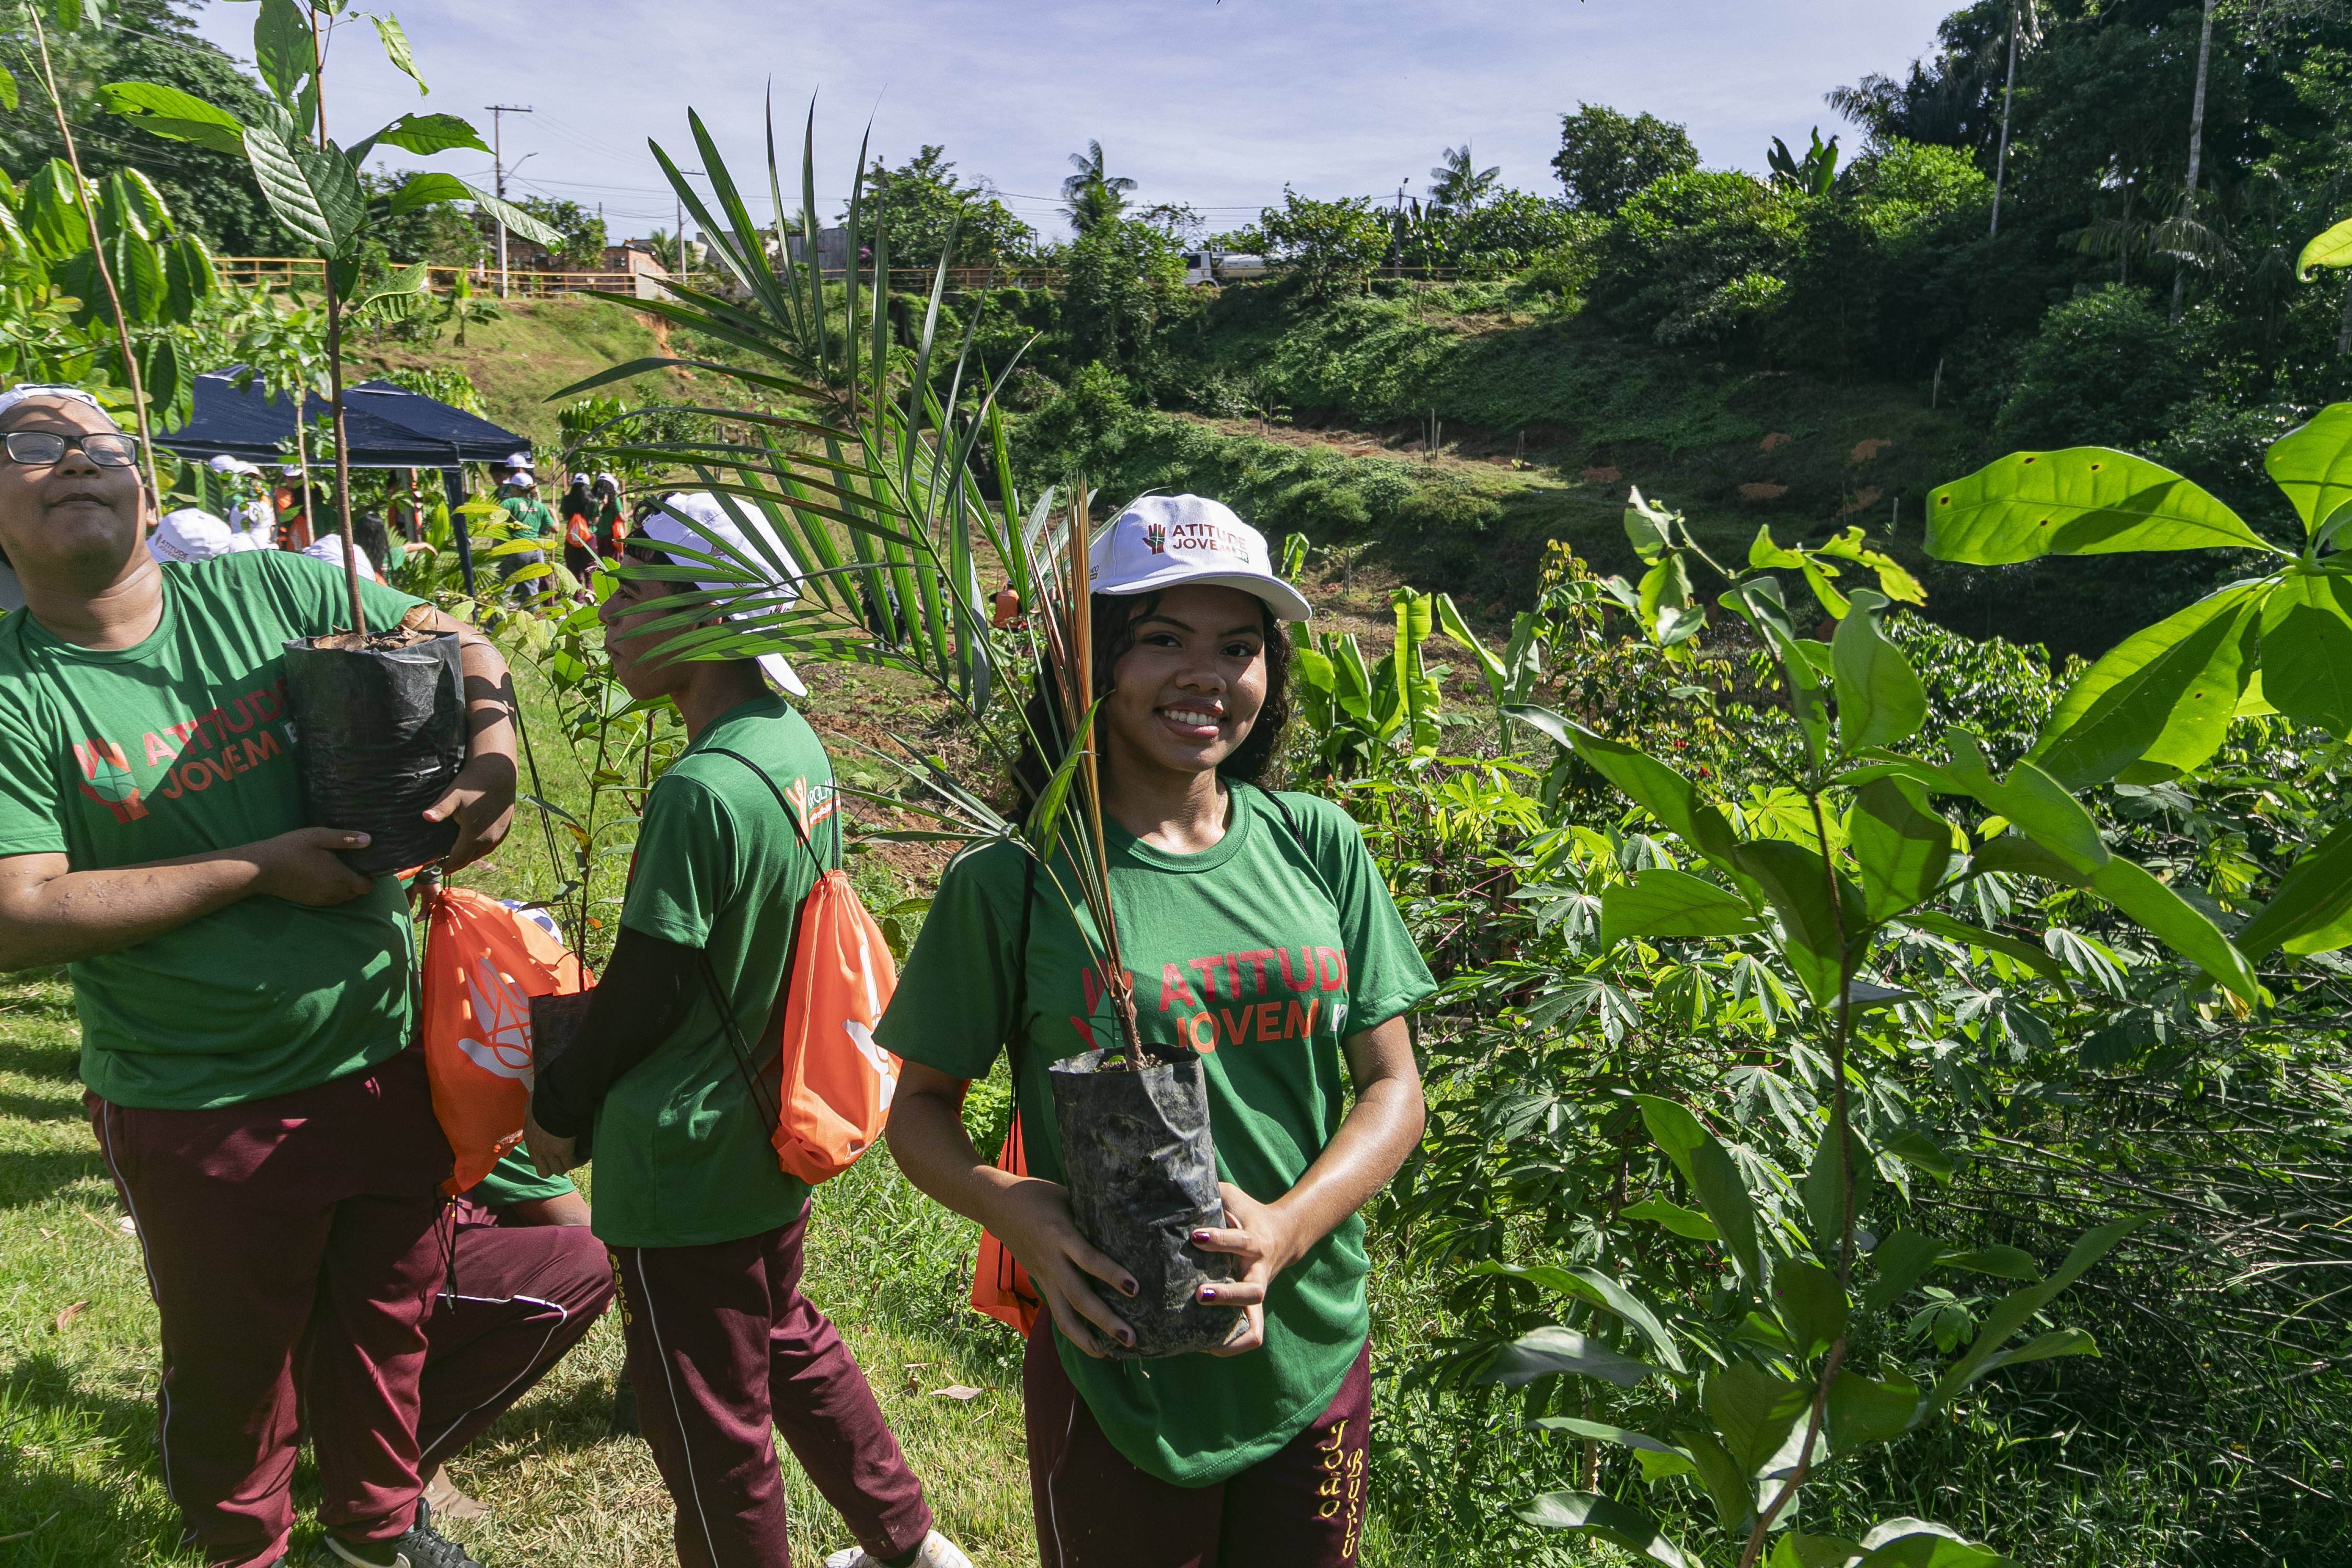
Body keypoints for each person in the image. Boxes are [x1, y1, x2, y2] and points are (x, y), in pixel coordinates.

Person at [0, 383, 521, 1568]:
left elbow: (456, 635)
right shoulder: (15, 690)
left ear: (147, 485)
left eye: (98, 443)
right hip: (196, 1098)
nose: (73, 461)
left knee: (387, 1329)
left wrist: (488, 757)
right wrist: (253, 868)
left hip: (386, 1060)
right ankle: (244, 1545)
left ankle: (374, 1534)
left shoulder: (274, 592)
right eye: (29, 446)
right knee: (234, 1364)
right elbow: (16, 912)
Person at [879, 494, 1435, 1568]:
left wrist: (1286, 1230)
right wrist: (1016, 1210)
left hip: (1309, 1349)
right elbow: (919, 1111)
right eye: (1163, 640)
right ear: (1092, 665)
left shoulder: (1317, 845)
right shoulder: (1018, 885)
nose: (1207, 677)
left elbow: (1391, 1086)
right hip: (1118, 1365)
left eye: (1238, 647)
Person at [521, 492, 969, 1568]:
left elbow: (648, 992)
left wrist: (556, 1108)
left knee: (706, 1420)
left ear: (710, 618)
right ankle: (908, 1540)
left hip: (681, 1157)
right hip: (770, 1119)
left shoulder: (700, 789)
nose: (609, 614)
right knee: (782, 1334)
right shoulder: (792, 745)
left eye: (634, 595)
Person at [406, 1142, 615, 1520]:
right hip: (351, 1282)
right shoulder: (465, 1091)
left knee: (511, 1215)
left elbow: (548, 1200)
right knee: (586, 1267)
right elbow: (577, 1227)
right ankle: (398, 1455)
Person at [560, 473, 598, 581]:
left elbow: (565, 517)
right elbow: (595, 520)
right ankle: (590, 593)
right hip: (589, 537)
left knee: (574, 569)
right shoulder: (593, 501)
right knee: (590, 567)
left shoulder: (566, 500)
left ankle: (577, 597)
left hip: (572, 537)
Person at [273, 464, 314, 551]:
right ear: (284, 478)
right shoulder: (277, 493)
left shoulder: (307, 493)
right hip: (284, 535)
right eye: (290, 478)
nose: (293, 481)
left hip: (304, 534)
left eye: (296, 478)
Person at [593, 471, 626, 560]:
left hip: (595, 537)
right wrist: (632, 512)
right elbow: (622, 518)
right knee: (610, 564)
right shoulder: (615, 499)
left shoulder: (593, 500)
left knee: (597, 564)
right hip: (610, 537)